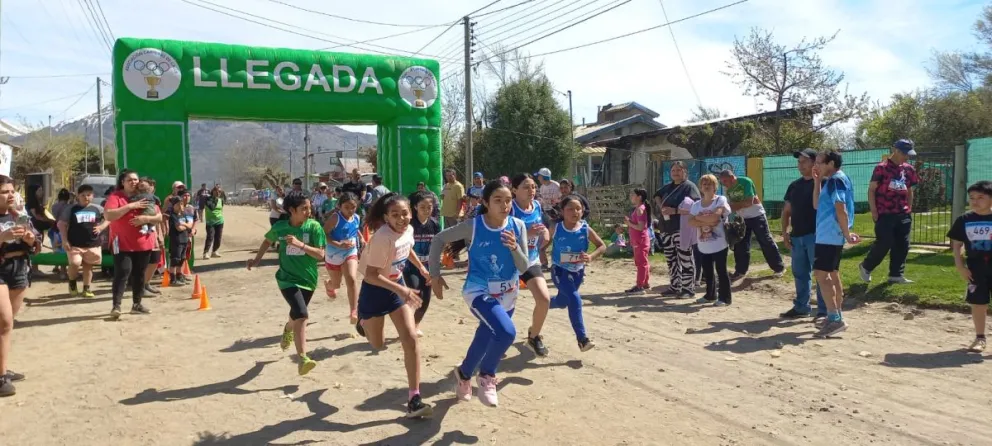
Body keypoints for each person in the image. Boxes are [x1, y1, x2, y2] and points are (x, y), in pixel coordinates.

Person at [428, 180, 529, 407]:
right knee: (506, 332)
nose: (504, 205)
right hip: (479, 290)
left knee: (485, 336)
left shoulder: (518, 226)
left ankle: (463, 374)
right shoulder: (474, 226)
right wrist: (434, 275)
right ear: (485, 202)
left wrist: (514, 248)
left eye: (508, 201)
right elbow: (439, 239)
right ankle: (487, 376)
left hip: (508, 294)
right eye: (498, 200)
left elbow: (524, 268)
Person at [354, 192, 433, 418]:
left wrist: (421, 268)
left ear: (411, 212)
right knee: (377, 344)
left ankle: (414, 398)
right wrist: (403, 289)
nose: (401, 219)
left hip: (396, 286)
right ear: (386, 217)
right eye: (395, 215)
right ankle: (363, 322)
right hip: (375, 290)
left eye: (405, 213)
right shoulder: (381, 238)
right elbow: (370, 276)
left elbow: (407, 250)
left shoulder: (408, 230)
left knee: (410, 338)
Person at [247, 191, 326, 376]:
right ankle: (303, 358)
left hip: (308, 280)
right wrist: (257, 259)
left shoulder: (314, 227)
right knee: (302, 315)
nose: (309, 211)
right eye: (304, 208)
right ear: (292, 210)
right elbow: (267, 241)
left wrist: (301, 245)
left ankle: (288, 329)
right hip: (286, 279)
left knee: (296, 316)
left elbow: (321, 255)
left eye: (309, 207)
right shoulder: (281, 227)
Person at [812, 150, 860, 338]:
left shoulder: (835, 181)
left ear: (831, 163)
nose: (816, 166)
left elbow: (841, 208)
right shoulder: (832, 180)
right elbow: (816, 205)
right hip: (828, 235)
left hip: (829, 236)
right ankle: (836, 315)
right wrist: (817, 181)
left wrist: (847, 234)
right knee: (832, 274)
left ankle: (835, 319)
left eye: (820, 163)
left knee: (821, 276)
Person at [550, 195, 606, 352]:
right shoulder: (556, 228)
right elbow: (542, 245)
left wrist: (591, 256)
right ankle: (582, 339)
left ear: (582, 211)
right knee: (574, 299)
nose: (574, 212)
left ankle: (543, 304)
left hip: (578, 272)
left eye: (578, 209)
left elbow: (602, 246)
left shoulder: (585, 228)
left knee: (562, 301)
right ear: (562, 211)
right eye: (570, 209)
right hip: (559, 270)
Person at [860, 139, 920, 284]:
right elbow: (872, 189)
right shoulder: (882, 168)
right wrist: (874, 210)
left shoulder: (908, 169)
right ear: (896, 151)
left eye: (909, 154)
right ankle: (866, 266)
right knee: (885, 242)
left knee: (903, 244)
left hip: (903, 213)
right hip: (885, 212)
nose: (907, 157)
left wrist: (909, 208)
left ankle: (896, 275)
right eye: (905, 154)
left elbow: (910, 191)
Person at [0, 175, 38, 397]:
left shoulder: (20, 215)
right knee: (4, 322)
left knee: (6, 325)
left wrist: (32, 239)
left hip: (19, 268)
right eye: (5, 192)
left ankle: (2, 366)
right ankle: (1, 377)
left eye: (12, 191)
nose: (11, 195)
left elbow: (36, 242)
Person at [104, 170, 160, 319]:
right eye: (130, 180)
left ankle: (137, 304)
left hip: (143, 243)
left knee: (139, 274)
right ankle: (116, 306)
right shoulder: (116, 196)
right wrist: (131, 206)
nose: (134, 182)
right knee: (123, 272)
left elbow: (159, 216)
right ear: (122, 182)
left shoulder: (146, 196)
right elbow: (109, 215)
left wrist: (146, 219)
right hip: (121, 243)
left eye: (135, 179)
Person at [780, 149, 828, 323]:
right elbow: (786, 211)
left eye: (803, 161)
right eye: (799, 161)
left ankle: (823, 310)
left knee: (821, 273)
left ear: (815, 162)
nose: (799, 164)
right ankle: (801, 307)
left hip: (817, 236)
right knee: (800, 274)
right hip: (797, 236)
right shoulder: (794, 185)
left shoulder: (824, 182)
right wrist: (785, 232)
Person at [510, 173, 553, 357]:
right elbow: (502, 234)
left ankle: (534, 336)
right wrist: (528, 232)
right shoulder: (509, 208)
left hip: (530, 260)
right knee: (504, 308)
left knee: (544, 299)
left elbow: (542, 226)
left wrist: (545, 234)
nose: (531, 190)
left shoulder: (536, 205)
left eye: (534, 187)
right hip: (508, 262)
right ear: (514, 190)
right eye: (526, 187)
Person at [947, 181, 992, 352]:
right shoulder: (964, 220)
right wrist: (960, 267)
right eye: (972, 197)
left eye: (981, 197)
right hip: (976, 270)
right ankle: (980, 338)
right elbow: (957, 246)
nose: (975, 201)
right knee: (978, 304)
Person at [720, 169, 786, 280]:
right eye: (722, 182)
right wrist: (741, 204)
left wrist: (739, 204)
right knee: (740, 243)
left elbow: (749, 201)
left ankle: (779, 268)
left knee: (765, 240)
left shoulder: (745, 181)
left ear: (732, 177)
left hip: (757, 215)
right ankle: (740, 271)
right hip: (742, 217)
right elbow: (730, 205)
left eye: (725, 181)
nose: (724, 184)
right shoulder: (727, 188)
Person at [653, 161, 700, 298]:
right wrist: (661, 206)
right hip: (666, 228)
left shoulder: (689, 187)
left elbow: (695, 206)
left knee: (685, 258)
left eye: (679, 170)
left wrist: (674, 210)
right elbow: (657, 194)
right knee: (671, 259)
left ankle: (688, 289)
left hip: (682, 228)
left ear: (685, 172)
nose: (675, 173)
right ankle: (675, 286)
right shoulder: (668, 187)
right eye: (673, 170)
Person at [688, 174, 733, 306]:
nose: (707, 186)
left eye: (710, 184)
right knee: (707, 271)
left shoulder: (720, 200)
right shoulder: (696, 205)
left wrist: (699, 218)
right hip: (703, 243)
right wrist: (705, 220)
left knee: (721, 270)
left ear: (715, 187)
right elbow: (690, 222)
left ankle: (725, 298)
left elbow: (716, 217)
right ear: (701, 187)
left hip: (719, 243)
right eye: (704, 184)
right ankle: (710, 295)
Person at [58, 185, 109, 298]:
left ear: (92, 196)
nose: (86, 197)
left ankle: (87, 288)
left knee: (88, 266)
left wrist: (101, 227)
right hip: (74, 244)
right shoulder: (71, 209)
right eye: (83, 195)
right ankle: (72, 282)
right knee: (75, 263)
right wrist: (64, 240)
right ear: (78, 196)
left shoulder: (97, 209)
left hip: (92, 243)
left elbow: (108, 218)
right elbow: (61, 224)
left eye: (88, 195)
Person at [405, 190, 441, 336]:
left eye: (429, 207)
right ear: (415, 207)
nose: (427, 210)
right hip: (410, 267)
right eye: (423, 207)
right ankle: (405, 324)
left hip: (428, 267)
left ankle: (415, 325)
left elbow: (439, 243)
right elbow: (406, 247)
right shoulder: (409, 225)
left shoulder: (435, 224)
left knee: (425, 299)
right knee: (415, 293)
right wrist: (419, 266)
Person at [323, 192, 362, 325]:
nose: (350, 210)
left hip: (350, 251)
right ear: (340, 206)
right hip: (333, 254)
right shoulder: (335, 218)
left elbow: (355, 229)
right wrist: (338, 244)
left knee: (351, 278)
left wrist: (361, 238)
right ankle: (329, 285)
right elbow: (324, 234)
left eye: (353, 207)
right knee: (336, 284)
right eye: (347, 207)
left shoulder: (357, 217)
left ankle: (354, 311)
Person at [138, 178, 165, 296]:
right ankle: (140, 287)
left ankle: (146, 283)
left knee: (155, 260)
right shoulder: (138, 199)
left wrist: (160, 236)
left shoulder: (155, 201)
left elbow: (159, 218)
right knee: (143, 262)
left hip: (154, 234)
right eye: (142, 186)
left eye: (151, 186)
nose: (149, 188)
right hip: (142, 235)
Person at [625, 188, 652, 294]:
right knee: (643, 262)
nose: (631, 196)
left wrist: (629, 223)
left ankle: (639, 286)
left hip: (640, 240)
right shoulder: (640, 208)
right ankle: (645, 283)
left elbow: (641, 227)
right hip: (640, 240)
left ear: (639, 197)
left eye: (633, 194)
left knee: (641, 263)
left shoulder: (640, 209)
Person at [534, 168, 561, 269]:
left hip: (555, 213)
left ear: (544, 177)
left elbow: (560, 199)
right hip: (545, 213)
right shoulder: (542, 187)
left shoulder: (556, 186)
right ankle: (544, 263)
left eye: (539, 176)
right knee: (542, 238)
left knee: (554, 238)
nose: (538, 178)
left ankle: (556, 262)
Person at [166, 197, 194, 285]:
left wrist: (184, 224)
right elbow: (179, 228)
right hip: (176, 240)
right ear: (173, 206)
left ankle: (179, 275)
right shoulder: (173, 216)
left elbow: (189, 225)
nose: (180, 206)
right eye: (178, 204)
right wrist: (185, 226)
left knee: (182, 259)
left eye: (181, 204)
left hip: (184, 239)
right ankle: (173, 278)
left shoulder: (183, 215)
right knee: (175, 259)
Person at [50, 188, 72, 278]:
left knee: (56, 249)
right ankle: (63, 271)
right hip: (65, 229)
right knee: (64, 250)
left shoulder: (54, 206)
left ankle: (56, 266)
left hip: (55, 228)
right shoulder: (68, 207)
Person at [202, 185, 225, 259]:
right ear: (213, 191)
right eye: (217, 191)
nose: (218, 193)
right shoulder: (208, 199)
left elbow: (221, 207)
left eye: (220, 192)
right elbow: (212, 207)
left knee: (218, 238)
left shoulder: (221, 200)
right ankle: (205, 253)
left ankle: (214, 251)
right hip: (210, 222)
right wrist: (215, 199)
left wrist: (220, 197)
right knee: (210, 237)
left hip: (219, 221)